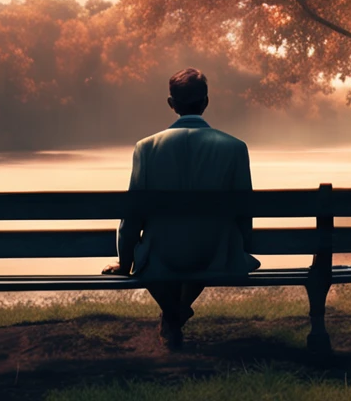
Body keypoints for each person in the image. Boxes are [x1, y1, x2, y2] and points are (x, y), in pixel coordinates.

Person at [101, 67, 260, 349]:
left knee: (158, 245)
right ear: (206, 102)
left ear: (171, 105)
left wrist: (125, 263)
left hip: (163, 254)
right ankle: (177, 313)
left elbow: (133, 213)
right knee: (208, 237)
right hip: (214, 254)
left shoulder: (146, 148)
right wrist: (243, 245)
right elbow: (244, 210)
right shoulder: (235, 148)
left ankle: (172, 314)